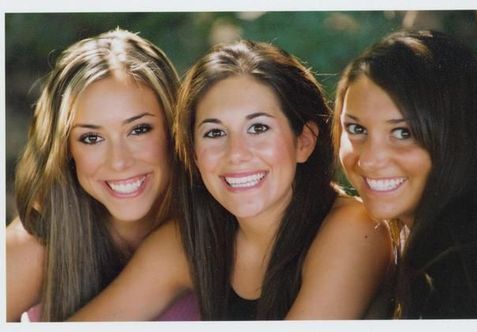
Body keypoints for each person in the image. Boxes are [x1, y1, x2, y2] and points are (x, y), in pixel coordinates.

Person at [69, 39, 392, 321]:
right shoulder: (190, 240)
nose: (236, 153)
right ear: (193, 154)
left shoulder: (356, 228)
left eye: (258, 128)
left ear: (303, 142)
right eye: (215, 133)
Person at [6, 28, 199, 322]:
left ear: (174, 128)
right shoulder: (37, 244)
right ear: (65, 149)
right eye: (91, 138)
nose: (119, 161)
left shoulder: (216, 227)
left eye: (139, 130)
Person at [333, 30, 477, 318]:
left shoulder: (465, 271)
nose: (369, 161)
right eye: (356, 129)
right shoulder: (414, 243)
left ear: (457, 135)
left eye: (403, 133)